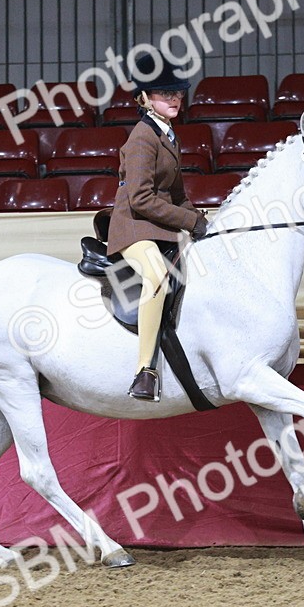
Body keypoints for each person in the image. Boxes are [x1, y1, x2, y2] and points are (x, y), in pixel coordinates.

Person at [106, 55, 209, 402]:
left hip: (159, 226)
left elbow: (177, 195)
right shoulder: (142, 137)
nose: (175, 99)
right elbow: (141, 199)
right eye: (166, 94)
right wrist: (190, 222)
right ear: (145, 98)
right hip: (134, 227)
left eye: (177, 93)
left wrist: (203, 221)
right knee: (158, 276)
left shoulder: (168, 134)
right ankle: (145, 371)